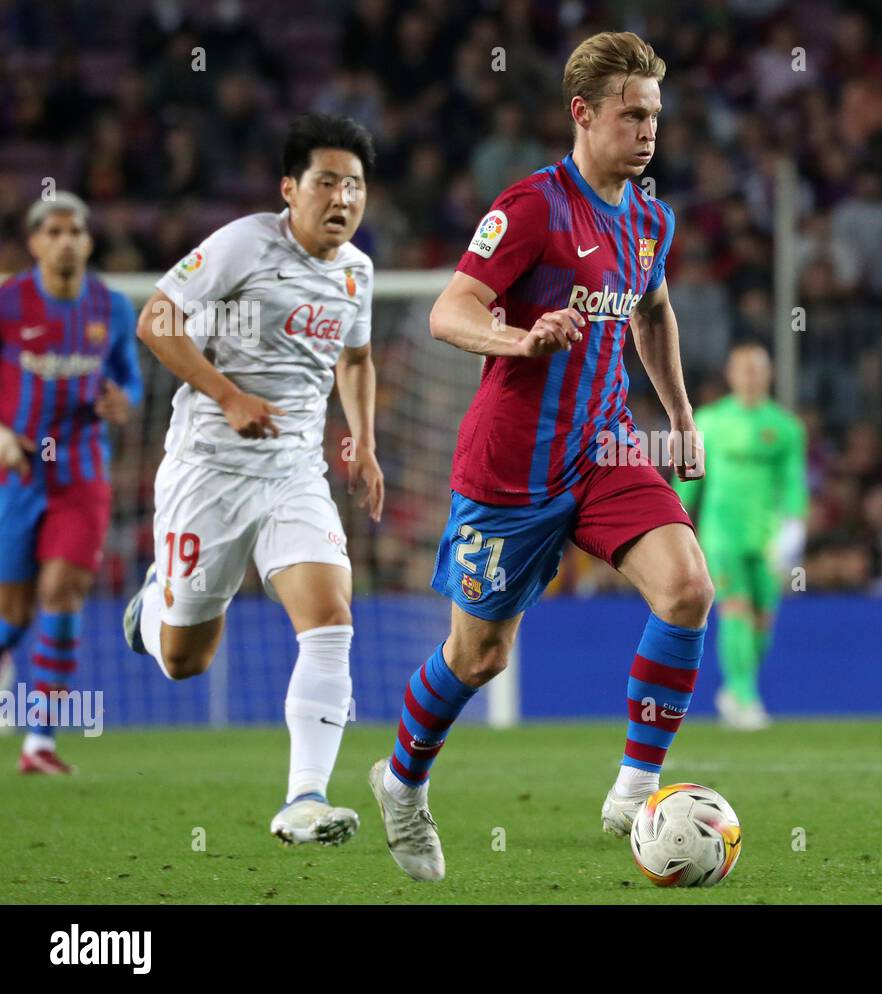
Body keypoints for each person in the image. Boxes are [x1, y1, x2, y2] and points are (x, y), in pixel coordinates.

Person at [369, 31, 713, 883]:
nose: (647, 131)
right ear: (583, 114)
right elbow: (451, 310)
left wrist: (678, 414)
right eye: (632, 115)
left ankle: (637, 789)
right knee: (479, 657)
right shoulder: (531, 207)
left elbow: (653, 313)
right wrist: (518, 340)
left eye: (655, 116)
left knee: (688, 587)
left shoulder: (649, 218)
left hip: (604, 449)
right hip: (511, 468)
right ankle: (401, 780)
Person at [122, 113, 384, 846]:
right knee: (183, 661)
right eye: (327, 181)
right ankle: (152, 607)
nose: (343, 197)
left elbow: (356, 361)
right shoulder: (243, 244)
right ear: (289, 189)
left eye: (355, 185)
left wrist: (362, 442)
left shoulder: (358, 272)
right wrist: (228, 395)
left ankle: (305, 798)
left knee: (331, 620)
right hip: (208, 468)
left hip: (294, 470)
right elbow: (156, 320)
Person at [0, 192, 142, 773]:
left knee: (62, 594)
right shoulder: (9, 302)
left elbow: (130, 383)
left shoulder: (111, 307)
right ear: (35, 242)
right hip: (18, 471)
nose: (65, 240)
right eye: (53, 230)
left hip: (81, 476)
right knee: (14, 611)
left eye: (75, 231)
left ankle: (39, 741)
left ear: (87, 241)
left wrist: (121, 403)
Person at [676, 343, 807, 730]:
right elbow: (688, 479)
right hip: (723, 534)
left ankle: (736, 691)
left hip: (767, 538)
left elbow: (793, 483)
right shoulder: (710, 421)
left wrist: (794, 527)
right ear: (731, 376)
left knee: (763, 621)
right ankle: (745, 698)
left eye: (757, 370)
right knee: (735, 611)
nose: (750, 378)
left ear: (769, 375)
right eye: (743, 370)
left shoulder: (785, 427)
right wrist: (676, 520)